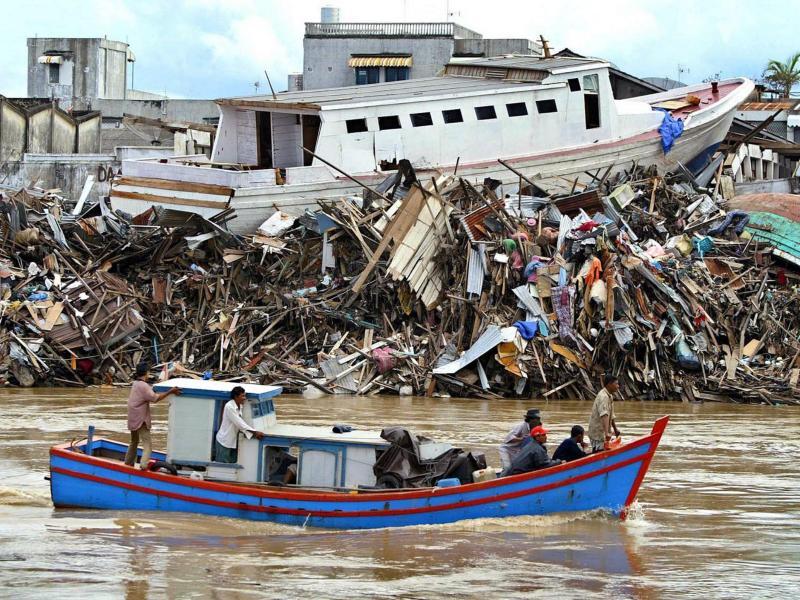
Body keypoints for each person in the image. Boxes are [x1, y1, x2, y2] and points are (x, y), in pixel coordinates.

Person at [124, 363, 181, 470]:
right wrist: (170, 391)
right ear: (146, 373)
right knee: (148, 445)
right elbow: (155, 398)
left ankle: (128, 463)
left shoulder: (136, 383)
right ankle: (144, 465)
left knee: (134, 441)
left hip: (132, 417)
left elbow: (148, 392)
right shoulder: (143, 386)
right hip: (140, 419)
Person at [215, 386, 265, 463]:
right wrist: (255, 432)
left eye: (245, 395)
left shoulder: (240, 406)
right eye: (242, 396)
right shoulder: (229, 406)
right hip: (224, 440)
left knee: (232, 463)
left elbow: (241, 423)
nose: (245, 398)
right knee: (222, 465)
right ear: (236, 396)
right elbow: (239, 423)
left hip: (232, 440)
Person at [588, 375, 622, 453]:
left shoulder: (609, 396)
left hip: (602, 432)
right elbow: (604, 415)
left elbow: (611, 415)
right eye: (616, 384)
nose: (618, 386)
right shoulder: (603, 397)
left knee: (603, 451)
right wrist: (607, 433)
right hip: (597, 433)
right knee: (598, 453)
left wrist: (615, 429)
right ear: (609, 384)